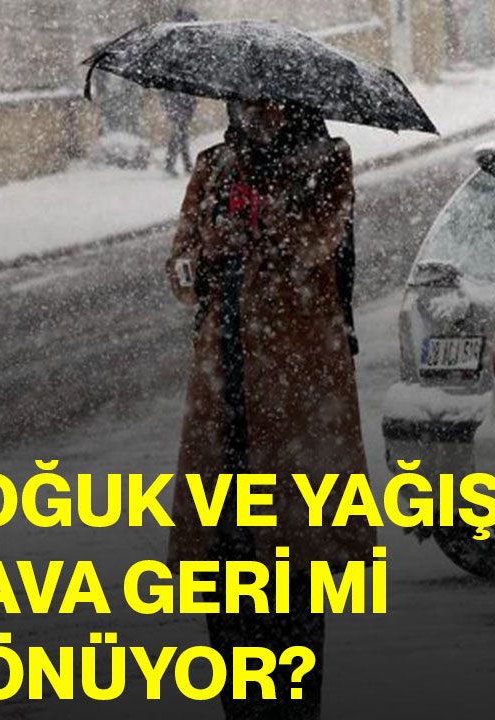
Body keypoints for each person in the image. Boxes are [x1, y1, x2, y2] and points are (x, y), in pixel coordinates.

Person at [164, 100, 372, 720]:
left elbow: (316, 245)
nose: (258, 113)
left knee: (293, 586)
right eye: (247, 101)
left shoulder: (325, 164)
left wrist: (258, 227)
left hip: (298, 405)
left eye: (270, 103)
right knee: (224, 588)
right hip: (224, 403)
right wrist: (205, 253)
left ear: (297, 106)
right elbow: (179, 272)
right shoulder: (214, 167)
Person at [162, 7, 199, 176]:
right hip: (177, 95)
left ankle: (181, 164)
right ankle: (178, 164)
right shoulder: (177, 42)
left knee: (181, 130)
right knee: (179, 130)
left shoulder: (181, 41)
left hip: (182, 96)